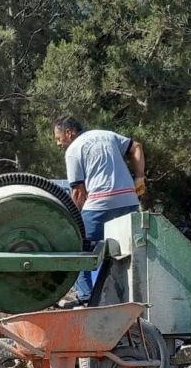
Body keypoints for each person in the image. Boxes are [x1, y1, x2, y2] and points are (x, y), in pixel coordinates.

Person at [53, 115, 146, 306]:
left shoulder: (73, 150)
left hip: (99, 206)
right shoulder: (107, 135)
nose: (57, 143)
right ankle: (130, 298)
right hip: (128, 201)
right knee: (128, 251)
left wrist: (71, 221)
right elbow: (136, 147)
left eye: (58, 137)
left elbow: (79, 193)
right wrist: (139, 178)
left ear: (69, 133)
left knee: (78, 250)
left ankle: (87, 299)